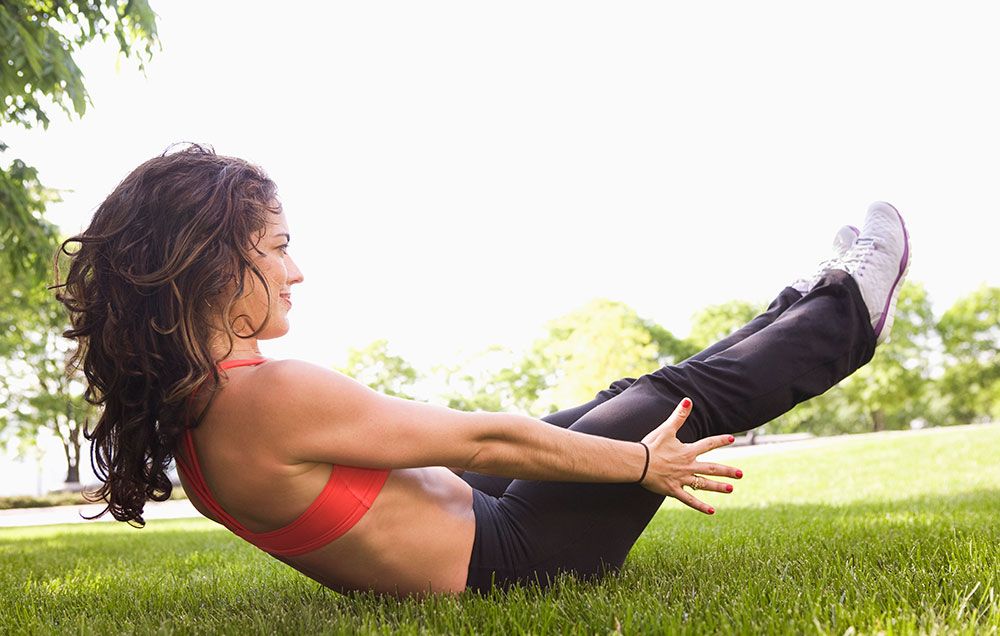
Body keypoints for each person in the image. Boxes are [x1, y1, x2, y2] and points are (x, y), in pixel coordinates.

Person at [56, 145, 910, 596]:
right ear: (210, 263)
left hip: (479, 517)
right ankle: (847, 317)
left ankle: (806, 298)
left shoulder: (196, 412)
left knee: (622, 401)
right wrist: (645, 466)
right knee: (662, 408)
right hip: (512, 557)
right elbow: (485, 433)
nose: (297, 270)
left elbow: (444, 457)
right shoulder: (267, 394)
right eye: (279, 248)